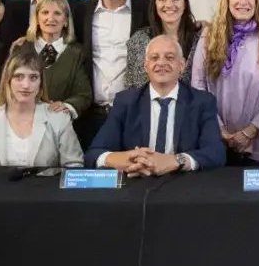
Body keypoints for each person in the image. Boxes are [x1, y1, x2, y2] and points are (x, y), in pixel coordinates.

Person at [86, 35, 225, 173]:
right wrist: (124, 159)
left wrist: (177, 161)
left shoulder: (203, 102)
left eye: (169, 57)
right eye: (154, 58)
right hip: (136, 185)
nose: (161, 63)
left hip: (183, 185)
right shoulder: (126, 102)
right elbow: (94, 154)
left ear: (181, 65)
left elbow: (216, 153)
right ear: (146, 66)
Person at [191, 0, 259, 165]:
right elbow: (198, 85)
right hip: (215, 139)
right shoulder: (209, 36)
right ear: (226, 0)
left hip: (258, 142)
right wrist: (220, 130)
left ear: (257, 0)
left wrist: (250, 131)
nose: (243, 1)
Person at [75, 0, 151, 147]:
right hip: (91, 117)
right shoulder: (81, 12)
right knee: (93, 173)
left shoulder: (147, 10)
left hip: (135, 116)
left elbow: (173, 29)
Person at [0, 47, 84, 167]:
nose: (26, 85)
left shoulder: (59, 119)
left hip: (45, 185)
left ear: (41, 83)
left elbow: (74, 166)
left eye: (33, 77)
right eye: (18, 76)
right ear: (7, 81)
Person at [10, 0, 92, 120]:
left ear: (65, 21)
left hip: (60, 124)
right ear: (36, 18)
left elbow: (83, 94)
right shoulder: (21, 48)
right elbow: (7, 86)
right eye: (45, 12)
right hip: (21, 121)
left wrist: (66, 106)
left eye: (57, 13)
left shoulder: (78, 52)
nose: (50, 18)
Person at [125, 0, 201, 88]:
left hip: (192, 105)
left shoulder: (200, 40)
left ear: (185, 4)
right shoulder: (138, 40)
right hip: (146, 105)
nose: (169, 5)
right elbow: (130, 86)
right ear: (155, 5)